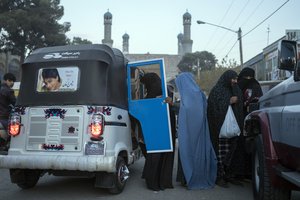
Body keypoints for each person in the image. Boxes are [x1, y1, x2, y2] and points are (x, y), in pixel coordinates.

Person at [166, 72, 217, 190]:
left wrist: (173, 104)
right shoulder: (197, 92)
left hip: (192, 130)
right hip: (195, 129)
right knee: (186, 152)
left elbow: (188, 108)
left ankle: (190, 178)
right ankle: (184, 178)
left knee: (188, 152)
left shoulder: (194, 93)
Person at [207, 70, 244, 187]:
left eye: (236, 78)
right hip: (219, 128)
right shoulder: (217, 90)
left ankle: (229, 175)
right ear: (227, 78)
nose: (235, 81)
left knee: (233, 151)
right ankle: (219, 177)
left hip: (234, 128)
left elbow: (240, 105)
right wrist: (228, 101)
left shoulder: (236, 89)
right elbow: (212, 106)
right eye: (233, 78)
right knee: (220, 153)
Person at [140, 72, 176, 191]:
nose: (145, 87)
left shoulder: (156, 91)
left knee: (155, 153)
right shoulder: (164, 90)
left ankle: (154, 181)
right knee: (161, 154)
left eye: (145, 84)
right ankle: (161, 181)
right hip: (165, 127)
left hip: (158, 128)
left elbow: (148, 107)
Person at [237, 67, 263, 179]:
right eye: (245, 77)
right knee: (239, 145)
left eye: (250, 77)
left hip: (253, 122)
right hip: (239, 120)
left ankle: (250, 172)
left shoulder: (256, 86)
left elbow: (259, 102)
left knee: (251, 145)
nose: (248, 80)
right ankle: (240, 172)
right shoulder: (237, 87)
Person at [0, 73, 16, 148]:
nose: (12, 83)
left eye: (13, 81)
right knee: (15, 131)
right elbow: (16, 103)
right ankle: (8, 145)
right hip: (4, 117)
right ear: (6, 80)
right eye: (10, 80)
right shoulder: (8, 91)